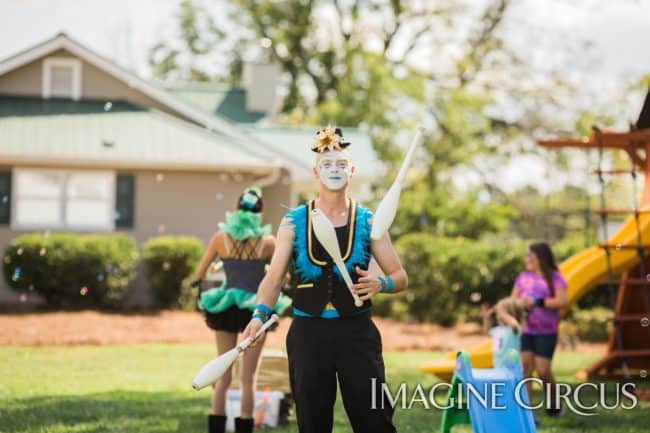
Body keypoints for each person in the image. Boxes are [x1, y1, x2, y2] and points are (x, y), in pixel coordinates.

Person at [242, 126, 408, 433]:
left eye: (341, 164)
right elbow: (274, 277)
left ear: (352, 171)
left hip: (357, 332)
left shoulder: (369, 220)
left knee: (375, 421)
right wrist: (258, 314)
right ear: (316, 172)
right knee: (313, 423)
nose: (334, 170)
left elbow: (400, 276)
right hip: (308, 333)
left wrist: (381, 284)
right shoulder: (293, 222)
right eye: (327, 165)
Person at [193, 187, 292, 433]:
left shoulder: (220, 238)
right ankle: (244, 427)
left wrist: (221, 263)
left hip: (225, 305)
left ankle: (216, 426)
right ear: (260, 212)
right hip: (255, 310)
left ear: (237, 208)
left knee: (222, 374)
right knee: (249, 378)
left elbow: (200, 272)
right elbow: (283, 276)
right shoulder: (268, 243)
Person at [511, 242, 568, 418]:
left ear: (541, 258)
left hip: (546, 331)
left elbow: (562, 301)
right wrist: (519, 305)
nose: (527, 259)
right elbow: (513, 300)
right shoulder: (523, 278)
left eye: (530, 256)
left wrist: (537, 302)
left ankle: (555, 402)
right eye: (526, 255)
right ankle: (527, 412)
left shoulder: (555, 277)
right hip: (526, 330)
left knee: (543, 371)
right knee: (525, 369)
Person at [479, 296, 526, 368]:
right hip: (498, 366)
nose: (499, 314)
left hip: (513, 370)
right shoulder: (498, 329)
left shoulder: (515, 329)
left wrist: (501, 311)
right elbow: (486, 331)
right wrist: (486, 317)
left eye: (502, 312)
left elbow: (514, 324)